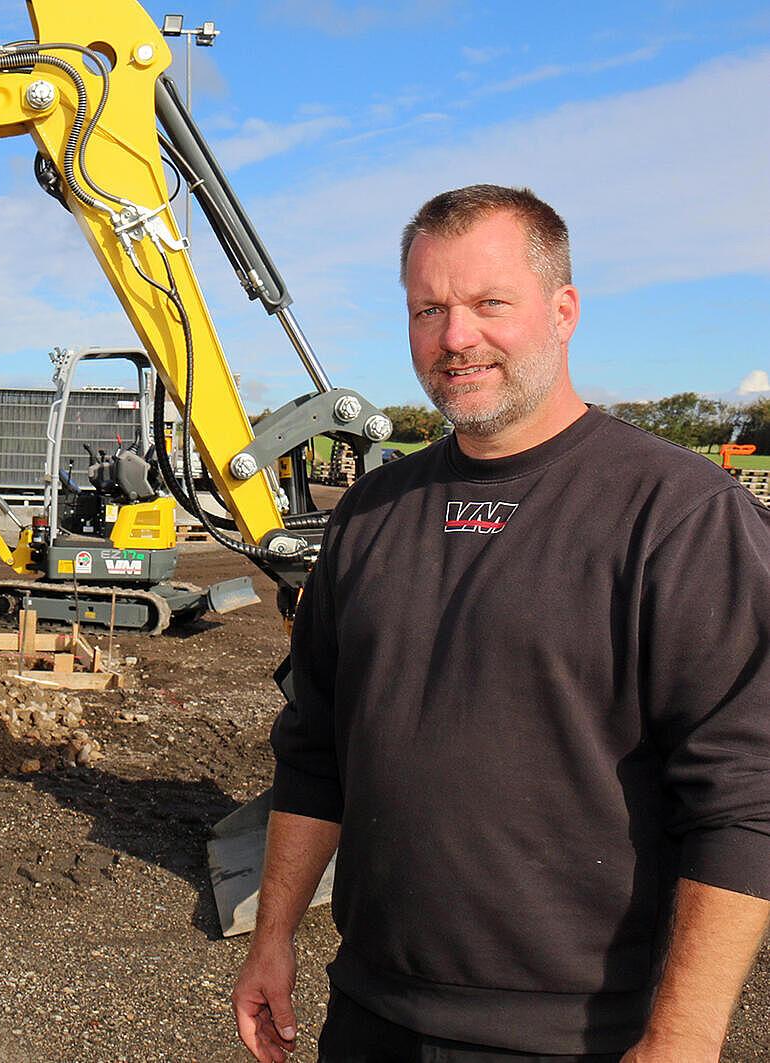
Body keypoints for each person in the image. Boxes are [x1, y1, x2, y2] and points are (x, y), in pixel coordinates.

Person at [230, 184, 770, 1062]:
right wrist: (274, 933)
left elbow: (747, 799)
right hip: (369, 1014)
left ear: (562, 310)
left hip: (578, 1034)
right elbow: (315, 746)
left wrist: (684, 1037)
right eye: (428, 309)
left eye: (490, 303)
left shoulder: (678, 515)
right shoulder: (372, 512)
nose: (456, 337)